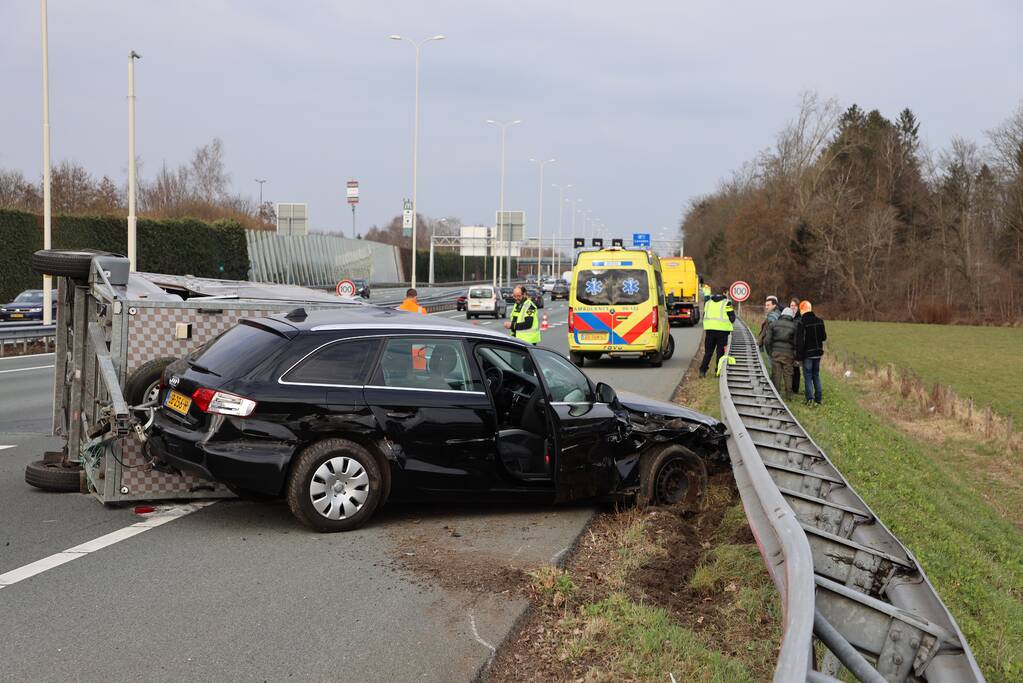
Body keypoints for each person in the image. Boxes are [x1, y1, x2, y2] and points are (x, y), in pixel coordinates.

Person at [795, 300, 827, 405]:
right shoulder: (820, 321)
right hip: (818, 353)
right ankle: (818, 398)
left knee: (808, 376)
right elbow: (824, 337)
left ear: (802, 310)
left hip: (807, 354)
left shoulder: (801, 322)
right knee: (816, 375)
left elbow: (800, 341)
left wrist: (798, 357)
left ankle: (809, 399)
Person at [699, 287, 734, 377]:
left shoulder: (708, 303)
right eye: (728, 293)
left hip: (710, 331)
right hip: (722, 332)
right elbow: (732, 318)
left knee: (708, 352)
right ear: (724, 292)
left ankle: (702, 371)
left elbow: (704, 316)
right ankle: (717, 372)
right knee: (720, 353)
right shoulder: (727, 303)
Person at [765, 306, 798, 399]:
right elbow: (796, 343)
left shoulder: (774, 324)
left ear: (782, 314)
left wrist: (770, 351)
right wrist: (794, 355)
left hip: (775, 352)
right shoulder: (794, 326)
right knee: (788, 374)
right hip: (789, 354)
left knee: (776, 373)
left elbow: (767, 340)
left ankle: (776, 394)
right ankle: (789, 395)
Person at [756, 296, 781, 373]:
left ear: (774, 305)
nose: (766, 307)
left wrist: (763, 341)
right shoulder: (775, 314)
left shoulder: (773, 316)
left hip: (772, 345)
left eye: (768, 305)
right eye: (765, 305)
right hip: (773, 345)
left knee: (774, 367)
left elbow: (768, 332)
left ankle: (774, 383)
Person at [788, 297, 802, 394]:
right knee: (789, 368)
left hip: (797, 347)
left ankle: (795, 388)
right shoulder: (788, 317)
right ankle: (790, 387)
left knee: (796, 368)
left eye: (794, 306)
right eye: (791, 305)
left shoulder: (799, 319)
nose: (793, 307)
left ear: (798, 307)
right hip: (789, 346)